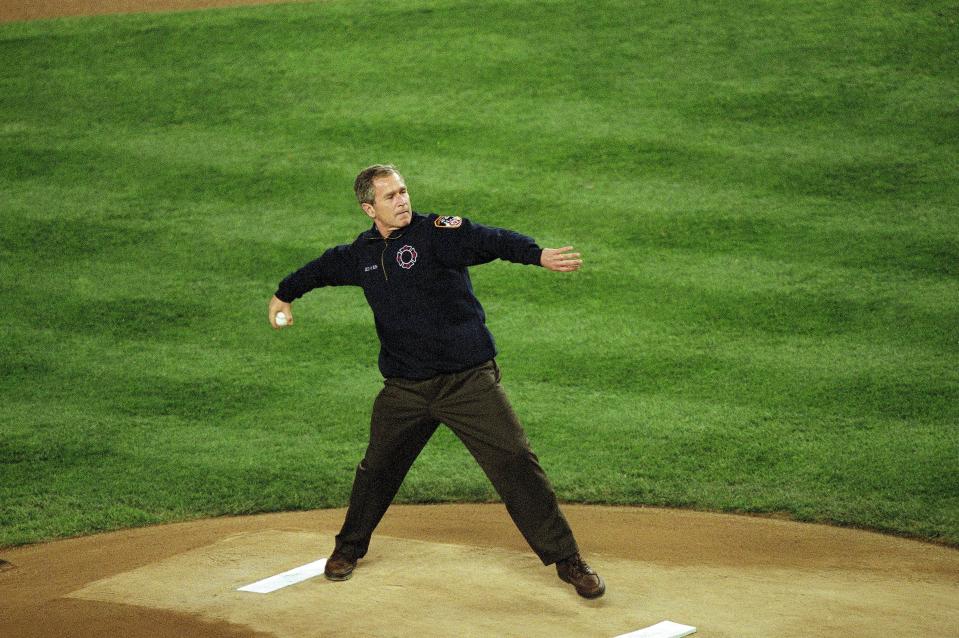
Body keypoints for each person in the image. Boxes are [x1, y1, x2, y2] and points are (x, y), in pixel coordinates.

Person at [267, 164, 605, 599]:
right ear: (369, 208)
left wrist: (536, 254)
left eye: (403, 191)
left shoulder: (438, 233)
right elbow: (321, 269)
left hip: (467, 383)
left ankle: (568, 560)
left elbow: (491, 239)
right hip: (405, 390)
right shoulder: (364, 255)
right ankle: (348, 549)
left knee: (516, 461)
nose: (402, 200)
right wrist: (283, 294)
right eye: (390, 196)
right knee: (377, 470)